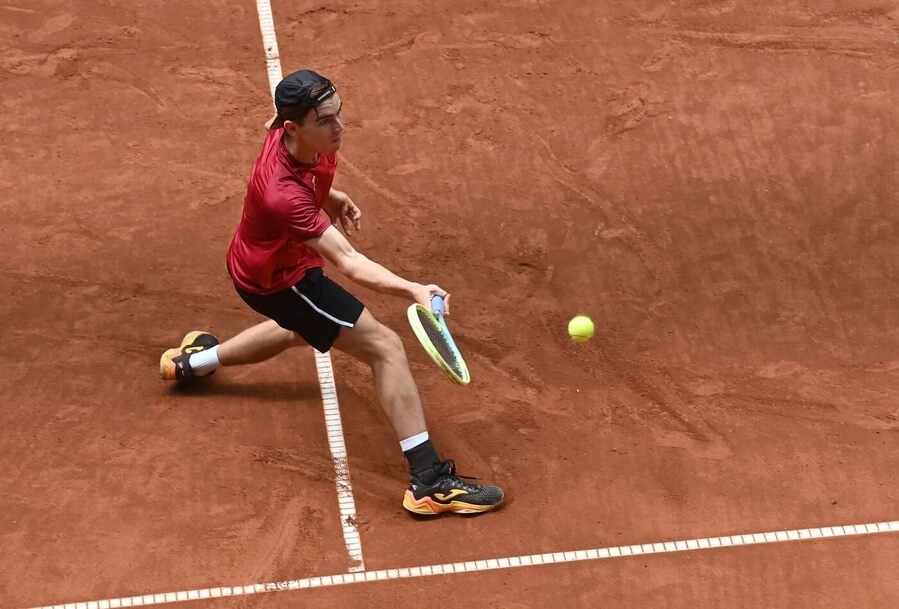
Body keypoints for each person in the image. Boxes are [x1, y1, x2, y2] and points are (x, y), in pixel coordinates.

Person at [159, 69, 504, 516]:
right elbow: (350, 262)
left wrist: (330, 194)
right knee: (385, 346)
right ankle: (429, 483)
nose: (339, 127)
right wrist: (413, 289)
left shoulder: (290, 134)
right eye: (325, 121)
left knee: (297, 332)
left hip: (260, 260)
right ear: (293, 128)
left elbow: (301, 168)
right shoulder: (284, 194)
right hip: (281, 280)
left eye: (339, 114)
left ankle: (190, 363)